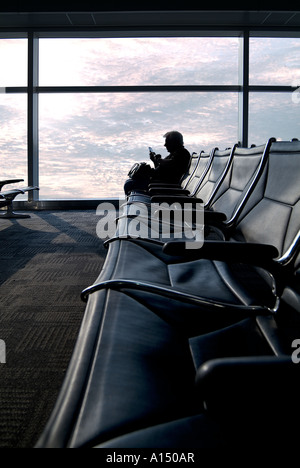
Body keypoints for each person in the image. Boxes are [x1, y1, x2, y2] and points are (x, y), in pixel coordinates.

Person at [124, 131, 191, 195]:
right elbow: (161, 169)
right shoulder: (174, 154)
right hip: (158, 182)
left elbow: (171, 163)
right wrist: (154, 161)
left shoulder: (182, 153)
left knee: (129, 184)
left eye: (167, 142)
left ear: (174, 142)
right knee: (130, 181)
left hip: (163, 185)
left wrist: (159, 160)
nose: (165, 145)